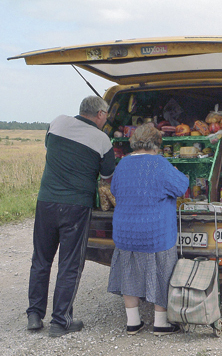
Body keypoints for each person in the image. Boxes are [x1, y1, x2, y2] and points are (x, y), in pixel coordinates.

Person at [26, 96, 115, 337]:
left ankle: (34, 315)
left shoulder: (57, 123)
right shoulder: (102, 139)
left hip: (46, 202)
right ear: (99, 114)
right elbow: (107, 174)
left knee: (41, 259)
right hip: (76, 206)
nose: (106, 119)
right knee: (70, 264)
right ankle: (60, 321)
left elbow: (50, 148)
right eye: (106, 114)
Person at [107, 124, 189, 336]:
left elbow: (115, 189)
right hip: (155, 231)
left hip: (126, 231)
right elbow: (181, 187)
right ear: (156, 144)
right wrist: (178, 173)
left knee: (129, 272)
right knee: (162, 272)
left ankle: (133, 322)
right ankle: (161, 323)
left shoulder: (122, 164)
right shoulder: (160, 164)